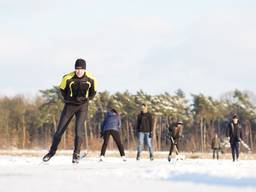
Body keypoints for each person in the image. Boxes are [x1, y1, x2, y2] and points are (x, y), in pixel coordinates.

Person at [43, 58, 97, 163]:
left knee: (78, 132)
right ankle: (51, 152)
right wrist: (68, 99)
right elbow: (62, 90)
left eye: (81, 69)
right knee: (59, 131)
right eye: (77, 69)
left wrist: (87, 100)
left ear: (85, 70)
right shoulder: (67, 78)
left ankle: (76, 154)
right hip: (70, 106)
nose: (79, 71)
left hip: (82, 107)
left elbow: (93, 92)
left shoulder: (91, 79)